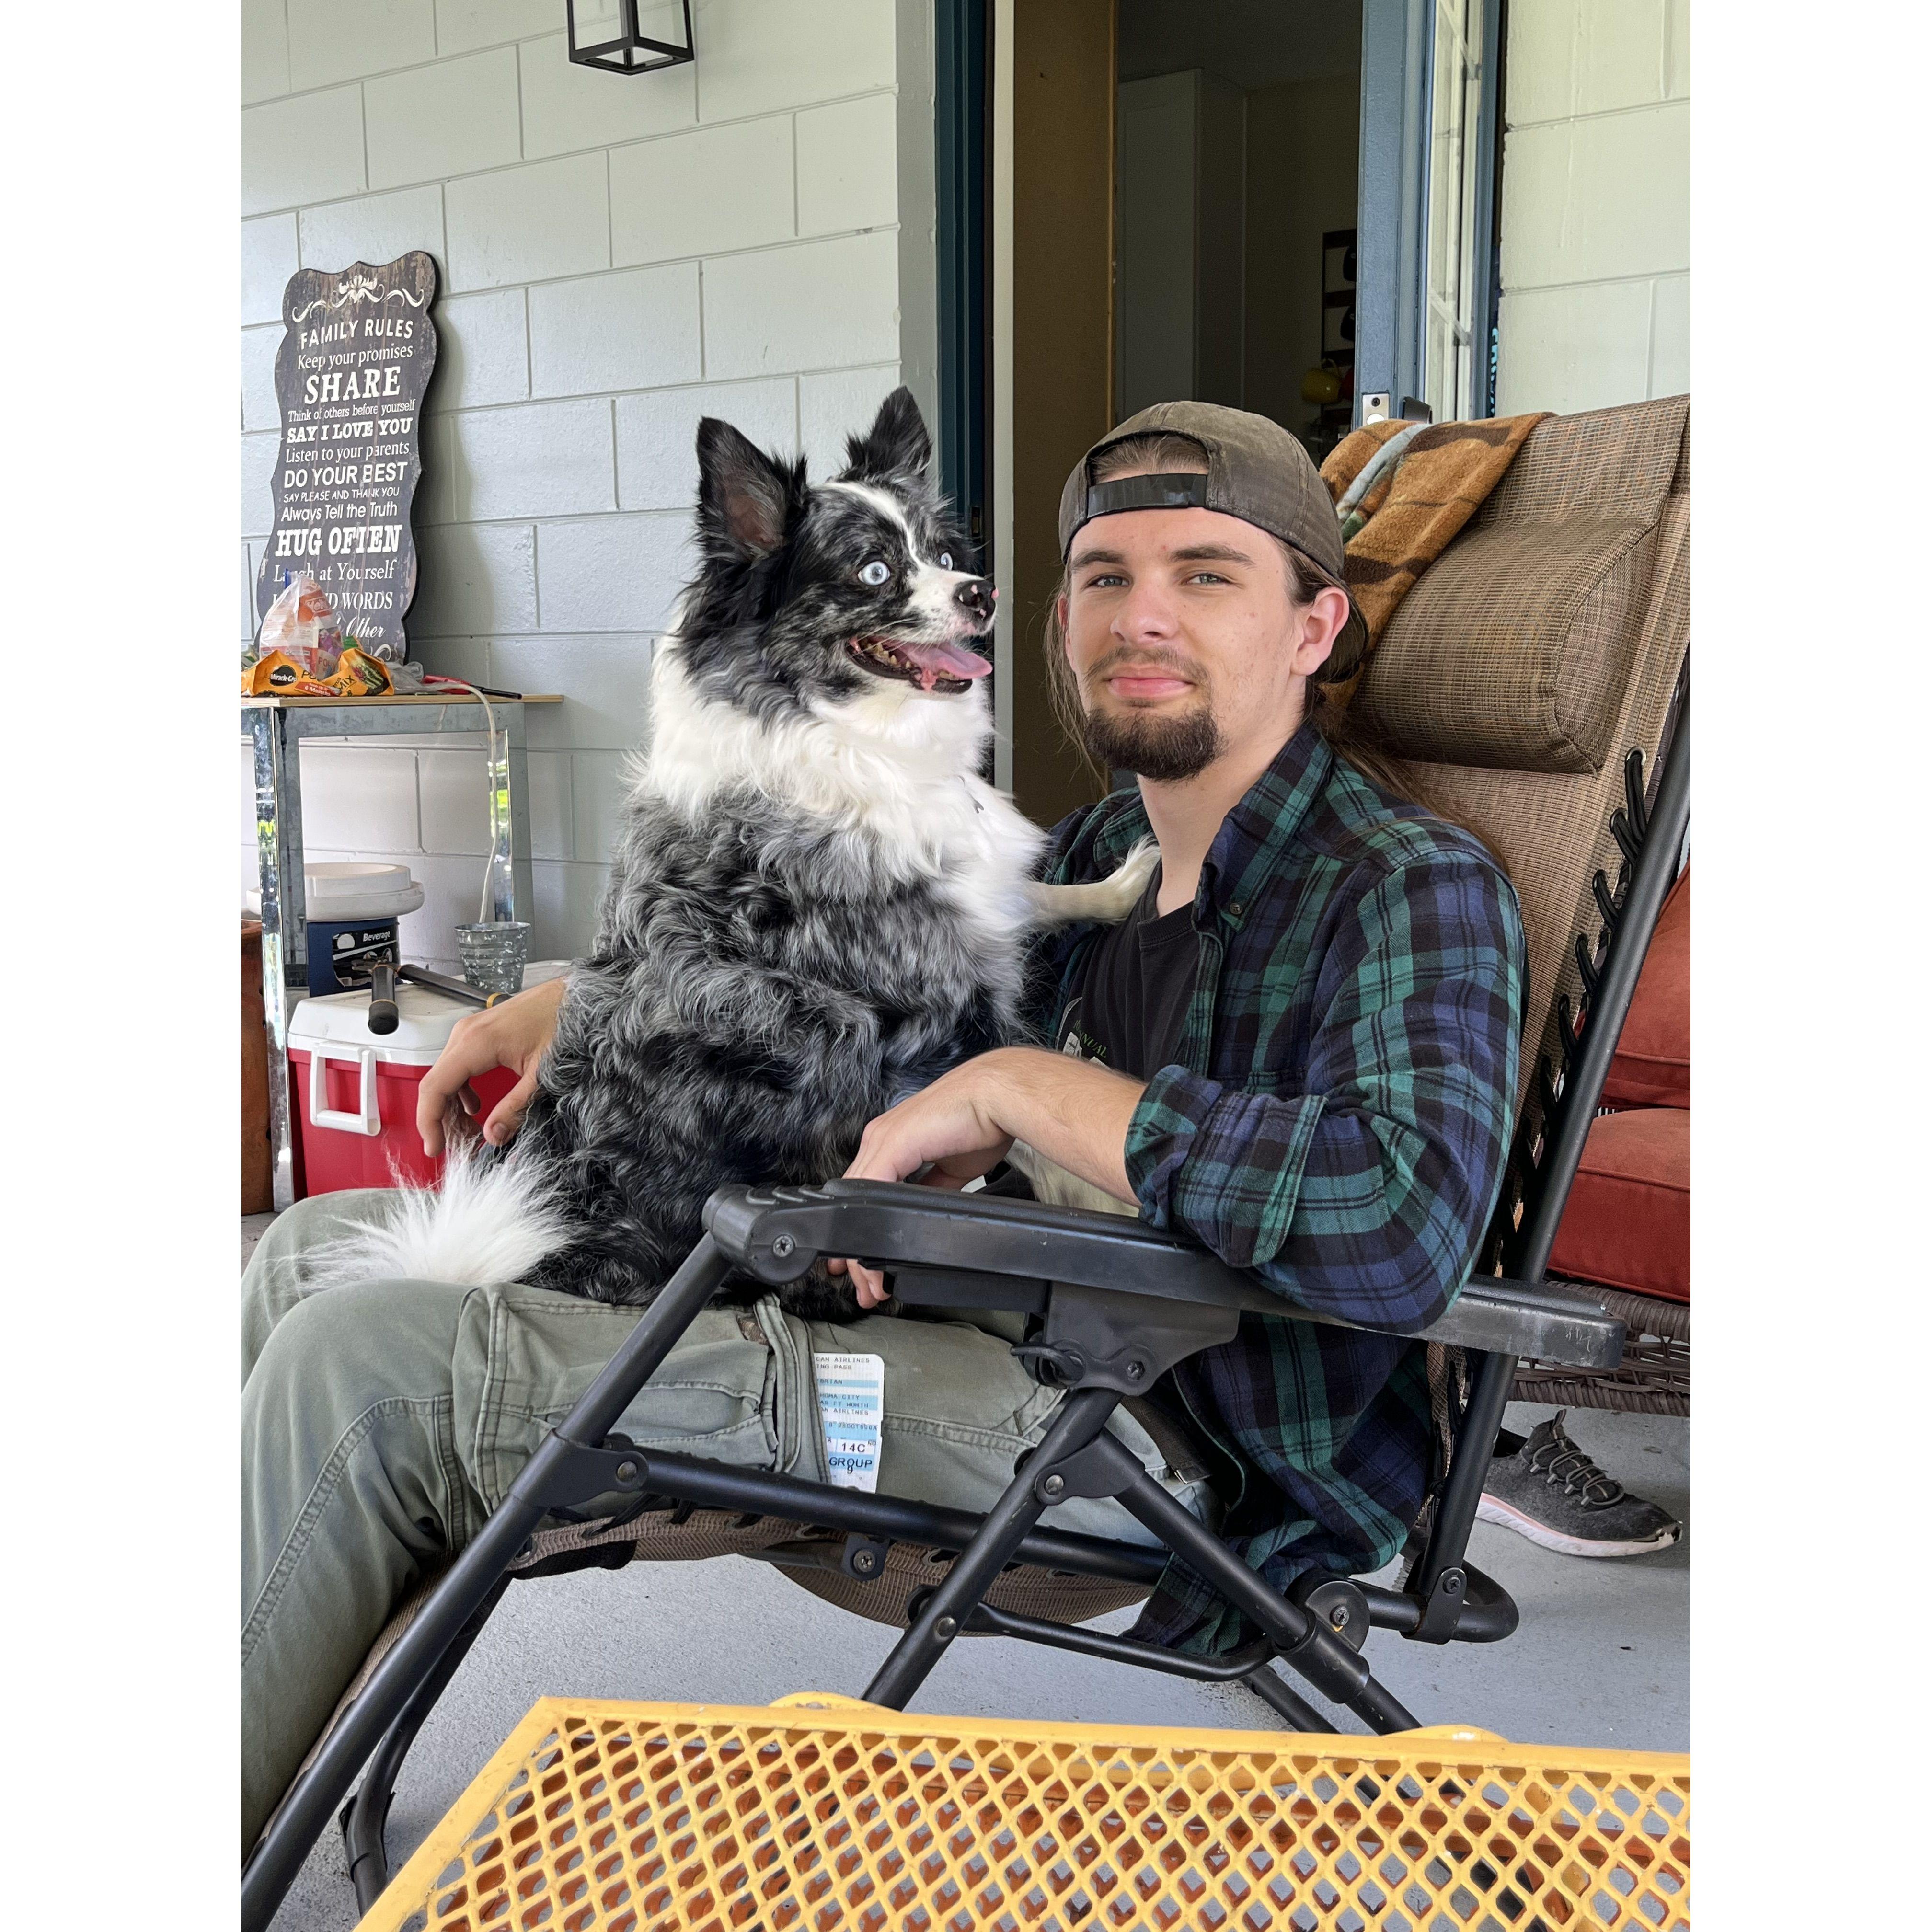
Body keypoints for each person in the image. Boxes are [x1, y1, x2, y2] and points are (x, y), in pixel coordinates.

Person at [241, 401, 1525, 1850]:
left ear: (1313, 627)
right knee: (306, 1253)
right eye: (1104, 576)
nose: (1142, 616)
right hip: (930, 1296)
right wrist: (603, 999)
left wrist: (1027, 1089)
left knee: (367, 1361)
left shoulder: (1411, 888)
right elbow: (852, 1014)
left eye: (1207, 575)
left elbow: (1404, 1228)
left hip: (1137, 1437)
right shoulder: (1103, 850)